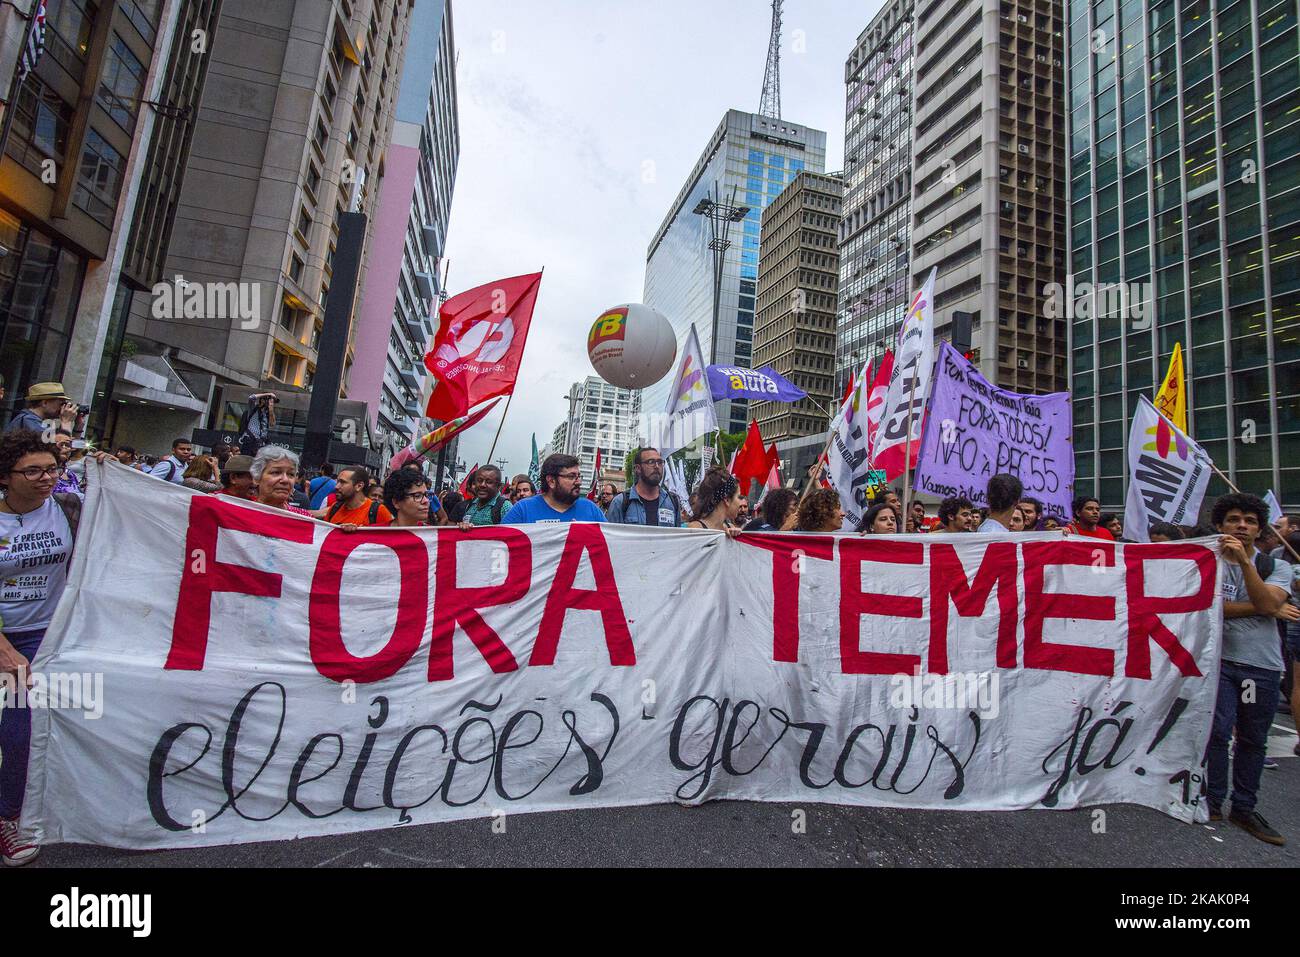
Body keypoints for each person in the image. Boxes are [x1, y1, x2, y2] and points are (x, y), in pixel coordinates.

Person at [0, 430, 82, 866]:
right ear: (6, 476)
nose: (45, 478)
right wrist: (5, 650)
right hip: (4, 635)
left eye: (52, 469)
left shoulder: (68, 507)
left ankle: (9, 815)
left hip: (45, 635)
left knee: (21, 726)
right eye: (32, 470)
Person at [1206, 493, 1297, 845]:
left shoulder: (1276, 567)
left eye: (1249, 521)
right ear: (1219, 525)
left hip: (1261, 667)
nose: (1241, 525)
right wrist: (1265, 608)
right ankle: (1212, 801)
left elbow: (1266, 600)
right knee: (1216, 732)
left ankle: (1243, 807)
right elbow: (1209, 608)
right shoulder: (1207, 562)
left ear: (1259, 528)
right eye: (1233, 519)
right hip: (1220, 663)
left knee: (1252, 740)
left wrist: (1245, 564)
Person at [505, 453, 606, 524]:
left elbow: (609, 544)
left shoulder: (591, 509)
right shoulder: (522, 510)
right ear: (551, 481)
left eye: (579, 476)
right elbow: (501, 546)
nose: (578, 482)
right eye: (571, 476)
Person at [606, 448, 684, 527]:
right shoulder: (620, 502)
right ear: (638, 468)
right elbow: (610, 537)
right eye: (651, 462)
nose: (657, 466)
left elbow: (677, 536)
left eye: (660, 462)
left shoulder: (673, 501)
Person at [320, 466, 392, 527]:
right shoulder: (334, 508)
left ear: (359, 486)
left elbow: (389, 539)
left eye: (343, 482)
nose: (336, 486)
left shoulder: (379, 511)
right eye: (337, 482)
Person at [250, 446, 311, 514]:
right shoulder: (240, 513)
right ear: (256, 478)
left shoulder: (304, 519)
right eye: (276, 472)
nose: (285, 480)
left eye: (291, 474)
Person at [684, 467, 741, 533]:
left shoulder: (731, 528)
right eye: (738, 497)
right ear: (727, 500)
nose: (740, 503)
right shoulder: (695, 529)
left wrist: (737, 538)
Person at [5, 381, 74, 434]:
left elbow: (68, 449)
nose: (63, 408)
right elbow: (58, 447)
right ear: (44, 403)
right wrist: (66, 422)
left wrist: (78, 427)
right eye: (61, 404)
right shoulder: (28, 420)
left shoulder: (36, 421)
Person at [51, 430, 81, 497]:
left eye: (68, 445)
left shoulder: (70, 474)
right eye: (61, 444)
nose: (66, 448)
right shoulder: (44, 472)